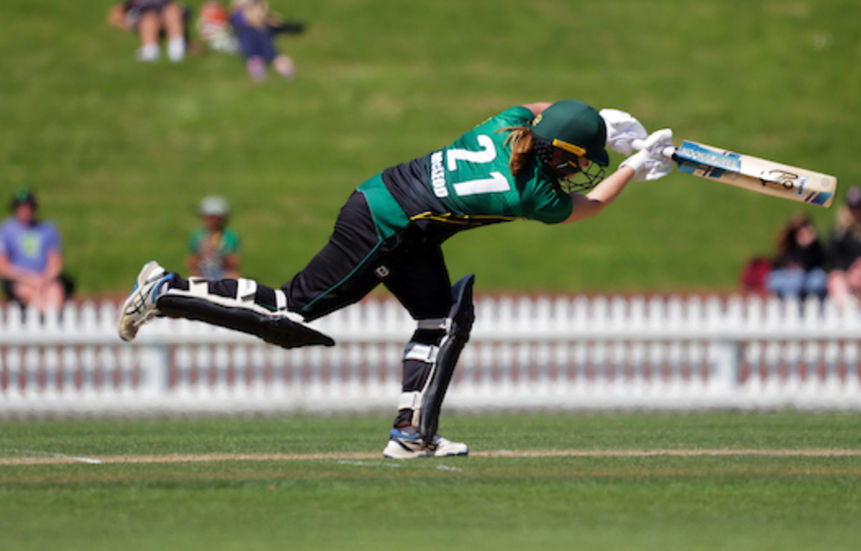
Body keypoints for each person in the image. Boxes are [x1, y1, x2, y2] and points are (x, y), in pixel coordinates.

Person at [117, 100, 673, 458]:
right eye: (578, 159)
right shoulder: (532, 192)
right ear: (556, 151)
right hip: (387, 227)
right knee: (290, 314)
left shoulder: (509, 124)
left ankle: (411, 434)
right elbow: (591, 205)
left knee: (442, 318)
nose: (579, 170)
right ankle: (165, 291)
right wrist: (634, 165)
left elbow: (537, 105)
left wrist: (597, 117)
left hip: (397, 211)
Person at [0, 189, 71, 314]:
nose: (25, 211)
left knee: (55, 291)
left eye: (29, 207)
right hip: (19, 280)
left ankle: (52, 322)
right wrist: (28, 278)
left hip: (44, 279)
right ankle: (43, 320)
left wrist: (44, 279)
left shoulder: (47, 229)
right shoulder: (5, 231)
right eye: (21, 207)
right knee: (29, 292)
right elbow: (1, 266)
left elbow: (55, 262)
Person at [228, 0, 297, 81]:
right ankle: (258, 66)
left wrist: (264, 18)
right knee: (252, 53)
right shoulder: (237, 13)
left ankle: (282, 65)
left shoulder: (257, 6)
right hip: (247, 35)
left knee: (271, 52)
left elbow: (263, 12)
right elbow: (234, 18)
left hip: (260, 31)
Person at [765, 212, 827, 299]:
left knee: (817, 279)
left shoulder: (815, 246)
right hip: (783, 275)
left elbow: (817, 263)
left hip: (806, 276)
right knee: (796, 280)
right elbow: (783, 263)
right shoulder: (789, 245)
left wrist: (809, 246)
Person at [107, 0, 187, 62]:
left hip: (165, 13)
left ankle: (177, 45)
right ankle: (150, 49)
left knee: (171, 12)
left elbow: (173, 5)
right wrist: (128, 26)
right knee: (149, 19)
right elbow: (116, 14)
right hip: (146, 17)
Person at [187, 196, 241, 281]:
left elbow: (234, 265)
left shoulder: (229, 237)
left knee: (233, 277)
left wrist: (221, 251)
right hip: (203, 272)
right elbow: (191, 262)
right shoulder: (197, 236)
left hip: (223, 272)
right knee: (192, 278)